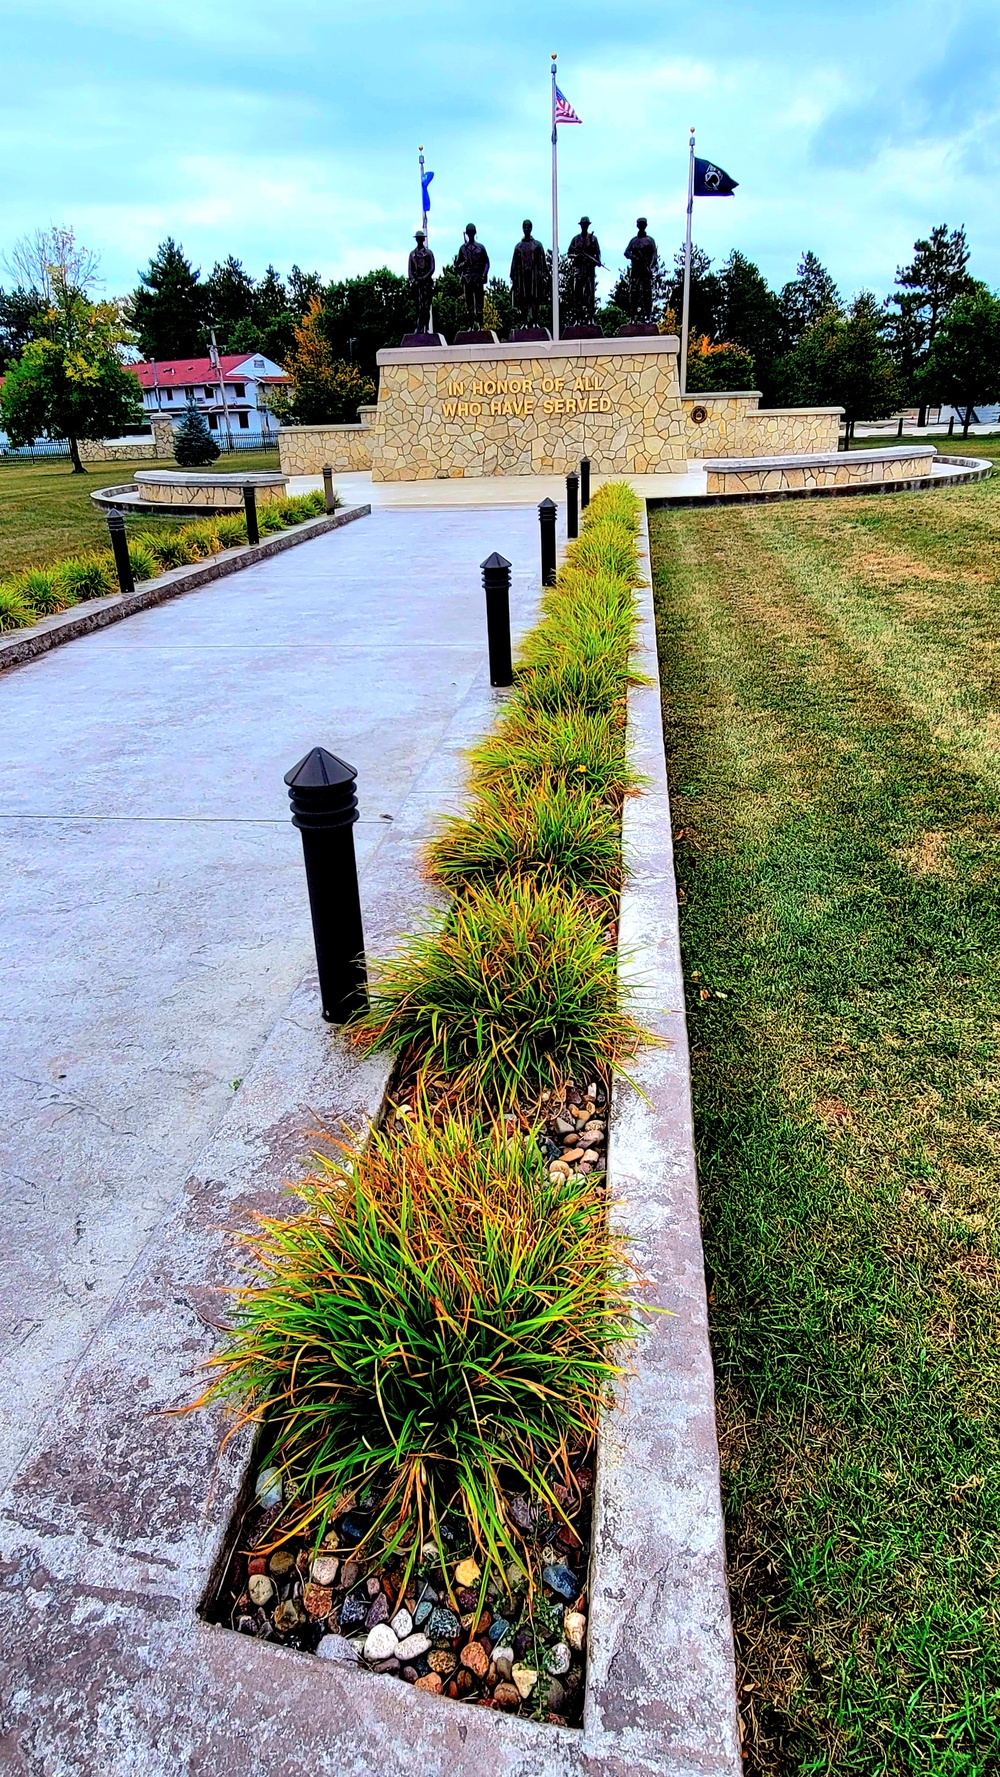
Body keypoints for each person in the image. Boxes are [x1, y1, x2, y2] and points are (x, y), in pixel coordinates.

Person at [510, 221, 548, 328]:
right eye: (525, 227)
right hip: (522, 276)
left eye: (528, 227)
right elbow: (514, 263)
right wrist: (513, 278)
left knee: (535, 298)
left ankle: (535, 321)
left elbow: (543, 262)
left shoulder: (538, 245)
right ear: (522, 229)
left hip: (534, 276)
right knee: (523, 299)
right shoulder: (518, 246)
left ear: (531, 228)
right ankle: (524, 322)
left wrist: (545, 276)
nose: (526, 229)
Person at [566, 217, 601, 323]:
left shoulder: (593, 239)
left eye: (586, 224)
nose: (584, 226)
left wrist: (597, 261)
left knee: (590, 295)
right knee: (578, 295)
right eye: (583, 224)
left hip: (589, 270)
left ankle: (590, 317)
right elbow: (569, 254)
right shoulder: (575, 239)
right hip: (579, 270)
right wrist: (576, 256)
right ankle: (578, 318)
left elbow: (598, 253)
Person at [624, 219, 659, 325]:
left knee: (647, 293)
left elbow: (654, 256)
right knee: (634, 292)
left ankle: (648, 316)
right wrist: (634, 257)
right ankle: (633, 316)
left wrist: (649, 266)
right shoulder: (633, 241)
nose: (641, 226)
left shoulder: (650, 241)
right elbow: (626, 252)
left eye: (643, 225)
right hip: (635, 270)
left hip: (645, 270)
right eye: (640, 224)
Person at [456, 224, 490, 330]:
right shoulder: (462, 249)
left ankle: (480, 325)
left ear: (475, 233)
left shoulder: (480, 247)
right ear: (466, 234)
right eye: (468, 233)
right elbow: (457, 266)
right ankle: (470, 326)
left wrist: (483, 274)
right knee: (469, 304)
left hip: (478, 278)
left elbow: (487, 263)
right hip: (467, 279)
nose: (470, 235)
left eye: (472, 232)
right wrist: (463, 264)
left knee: (479, 304)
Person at [407, 230, 435, 334]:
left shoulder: (428, 253)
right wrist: (414, 280)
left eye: (421, 238)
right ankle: (418, 327)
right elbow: (410, 270)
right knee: (418, 306)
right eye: (418, 239)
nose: (419, 240)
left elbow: (432, 268)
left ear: (423, 239)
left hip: (426, 283)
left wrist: (424, 278)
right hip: (416, 284)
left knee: (426, 306)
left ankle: (425, 327)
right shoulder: (412, 254)